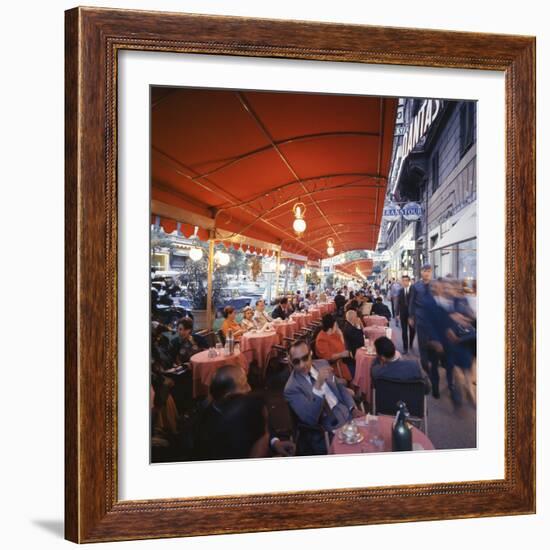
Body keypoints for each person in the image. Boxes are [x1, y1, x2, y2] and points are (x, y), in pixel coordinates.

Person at [284, 340, 362, 453]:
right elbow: (310, 418)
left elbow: (339, 388)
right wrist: (317, 386)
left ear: (310, 354)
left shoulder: (322, 364)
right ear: (291, 362)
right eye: (296, 361)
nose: (302, 365)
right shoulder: (291, 388)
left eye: (305, 358)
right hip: (326, 429)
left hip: (348, 415)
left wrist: (352, 408)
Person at [204, 365, 295, 457]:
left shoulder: (248, 408)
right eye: (244, 385)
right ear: (228, 396)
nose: (249, 388)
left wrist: (275, 443)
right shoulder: (212, 432)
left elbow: (265, 428)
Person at [315, 313, 354, 381]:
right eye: (336, 325)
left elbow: (343, 345)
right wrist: (341, 354)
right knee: (358, 371)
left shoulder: (334, 333)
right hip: (336, 366)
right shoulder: (321, 339)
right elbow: (328, 358)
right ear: (330, 328)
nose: (337, 326)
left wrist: (341, 334)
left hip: (344, 361)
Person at [397, 275, 415, 354]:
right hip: (403, 314)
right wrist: (397, 314)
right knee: (404, 331)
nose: (404, 282)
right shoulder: (400, 291)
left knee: (412, 330)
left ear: (408, 281)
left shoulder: (413, 290)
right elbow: (398, 303)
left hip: (411, 315)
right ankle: (405, 348)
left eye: (406, 280)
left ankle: (411, 343)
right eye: (403, 280)